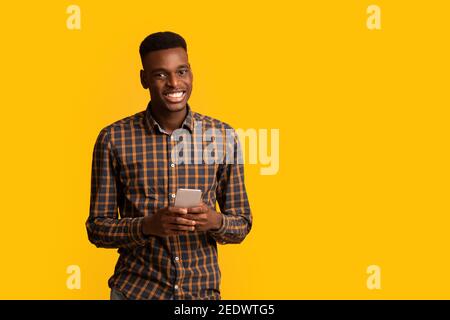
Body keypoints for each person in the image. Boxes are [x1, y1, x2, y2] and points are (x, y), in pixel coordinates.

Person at [86, 31, 252, 300]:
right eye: (160, 74)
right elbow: (97, 228)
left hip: (200, 295)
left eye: (181, 71)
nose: (174, 83)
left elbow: (242, 224)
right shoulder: (113, 139)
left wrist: (214, 221)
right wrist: (147, 226)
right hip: (136, 292)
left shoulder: (222, 137)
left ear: (191, 73)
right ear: (144, 79)